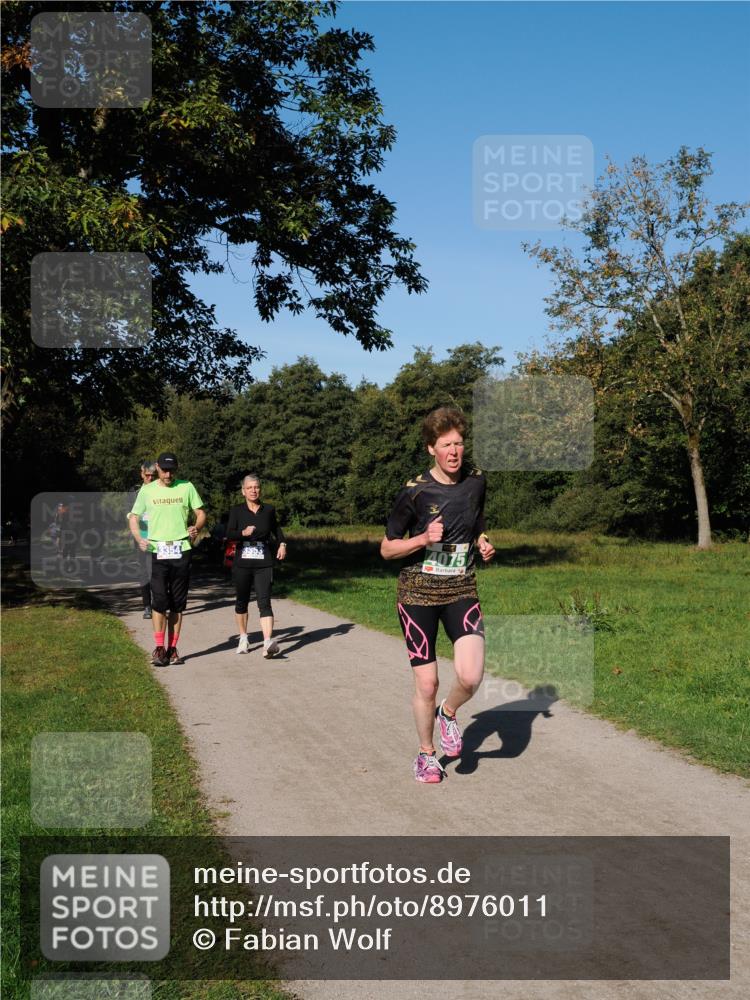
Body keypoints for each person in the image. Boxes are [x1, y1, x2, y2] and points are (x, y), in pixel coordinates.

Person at [381, 406, 496, 783]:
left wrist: (482, 540)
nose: (454, 451)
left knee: (471, 675)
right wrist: (422, 539)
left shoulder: (476, 481)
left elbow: (476, 519)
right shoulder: (414, 491)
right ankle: (427, 755)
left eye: (458, 443)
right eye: (445, 445)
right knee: (427, 683)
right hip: (417, 594)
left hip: (461, 587)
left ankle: (447, 712)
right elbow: (386, 549)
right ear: (431, 448)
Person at [127, 452, 205, 666]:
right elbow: (134, 517)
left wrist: (196, 527)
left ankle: (172, 649)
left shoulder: (186, 487)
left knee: (178, 604)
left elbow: (200, 513)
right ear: (157, 468)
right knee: (159, 601)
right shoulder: (147, 490)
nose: (168, 474)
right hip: (156, 550)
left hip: (181, 549)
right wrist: (139, 538)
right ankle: (159, 647)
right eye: (164, 470)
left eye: (171, 470)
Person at [226, 474, 287, 657]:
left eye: (256, 487)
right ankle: (243, 638)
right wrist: (243, 533)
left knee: (264, 601)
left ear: (260, 489)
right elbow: (229, 534)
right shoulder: (237, 511)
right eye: (249, 487)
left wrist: (282, 544)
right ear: (243, 491)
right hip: (242, 562)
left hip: (263, 561)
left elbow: (277, 530)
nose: (253, 490)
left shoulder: (268, 510)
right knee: (241, 601)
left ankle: (267, 642)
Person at [129, 461, 156, 618]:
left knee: (157, 572)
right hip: (141, 538)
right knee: (144, 572)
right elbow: (129, 513)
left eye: (153, 475)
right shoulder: (135, 492)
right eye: (147, 475)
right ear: (142, 474)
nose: (150, 478)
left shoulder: (161, 490)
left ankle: (158, 603)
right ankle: (147, 605)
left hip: (158, 537)